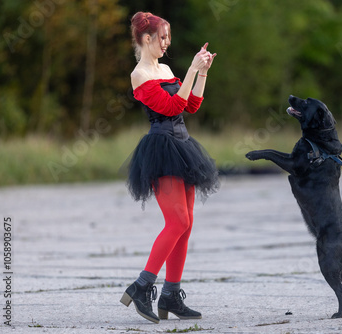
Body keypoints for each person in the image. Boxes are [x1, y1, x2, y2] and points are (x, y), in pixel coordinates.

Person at [119, 11, 219, 324]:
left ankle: (171, 295)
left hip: (183, 145)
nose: (166, 43)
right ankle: (142, 286)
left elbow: (190, 105)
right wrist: (190, 69)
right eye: (162, 37)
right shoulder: (140, 75)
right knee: (176, 221)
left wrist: (201, 73)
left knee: (186, 224)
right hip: (161, 150)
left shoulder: (165, 68)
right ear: (145, 38)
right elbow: (172, 106)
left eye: (168, 37)